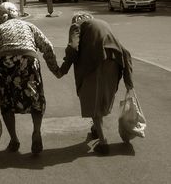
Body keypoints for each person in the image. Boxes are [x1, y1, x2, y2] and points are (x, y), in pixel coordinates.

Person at [0, 2, 60, 154]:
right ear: (16, 13)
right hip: (28, 60)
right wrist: (55, 69)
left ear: (1, 16)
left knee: (7, 101)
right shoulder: (29, 26)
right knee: (35, 98)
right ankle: (36, 132)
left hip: (5, 65)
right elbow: (47, 46)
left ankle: (14, 139)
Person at [57, 12, 134, 155]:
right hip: (114, 62)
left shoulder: (76, 26)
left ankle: (103, 142)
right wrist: (129, 82)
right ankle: (96, 129)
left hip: (94, 62)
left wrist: (62, 70)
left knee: (92, 100)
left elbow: (73, 48)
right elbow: (125, 52)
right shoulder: (103, 24)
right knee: (102, 98)